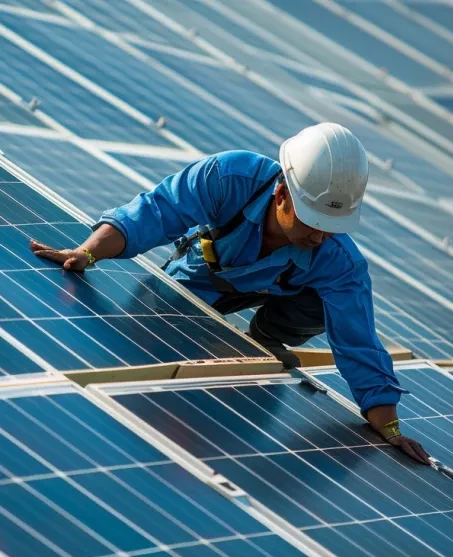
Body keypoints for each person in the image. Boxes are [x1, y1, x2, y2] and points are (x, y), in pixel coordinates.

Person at [30, 122, 431, 464]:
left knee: (321, 303)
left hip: (280, 295)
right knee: (158, 334)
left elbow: (358, 341)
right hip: (203, 280)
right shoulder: (229, 177)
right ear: (281, 195)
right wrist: (88, 252)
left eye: (333, 224)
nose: (321, 233)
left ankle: (265, 340)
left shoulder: (339, 260)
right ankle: (197, 322)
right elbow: (156, 212)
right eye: (313, 219)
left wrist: (389, 426)